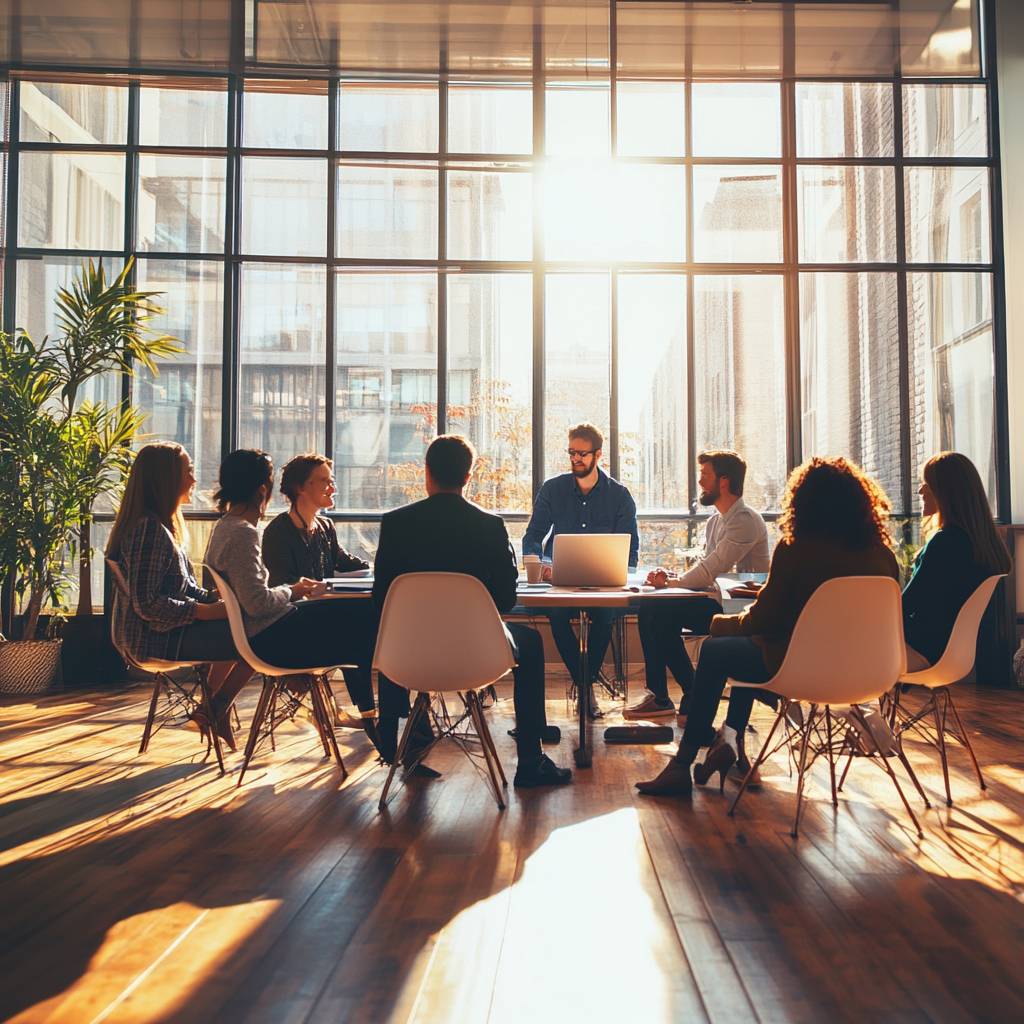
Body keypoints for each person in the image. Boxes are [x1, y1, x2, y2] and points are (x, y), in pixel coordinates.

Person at [636, 456, 900, 797]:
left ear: (805, 503)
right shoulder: (883, 557)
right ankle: (731, 741)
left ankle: (682, 764)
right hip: (870, 673)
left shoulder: (796, 550)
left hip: (801, 668)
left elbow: (763, 619)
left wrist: (718, 625)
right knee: (749, 643)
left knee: (723, 649)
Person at [373, 434, 573, 788]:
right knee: (530, 643)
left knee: (386, 628)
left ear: (427, 473)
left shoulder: (395, 523)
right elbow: (504, 600)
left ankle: (407, 744)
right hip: (476, 654)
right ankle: (530, 759)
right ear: (468, 477)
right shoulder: (489, 526)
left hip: (407, 655)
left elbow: (382, 599)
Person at [204, 449, 385, 757]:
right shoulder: (245, 534)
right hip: (271, 638)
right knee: (361, 625)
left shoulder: (228, 528)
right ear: (263, 490)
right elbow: (259, 603)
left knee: (356, 625)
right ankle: (376, 722)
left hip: (269, 632)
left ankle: (362, 717)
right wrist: (296, 590)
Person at [106, 442, 251, 750]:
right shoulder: (149, 530)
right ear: (165, 478)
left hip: (160, 633)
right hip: (151, 640)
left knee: (243, 627)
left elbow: (182, 588)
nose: (194, 480)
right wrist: (209, 611)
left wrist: (221, 599)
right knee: (253, 639)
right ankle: (213, 708)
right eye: (188, 471)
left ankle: (213, 708)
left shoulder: (161, 527)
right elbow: (148, 605)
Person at [625, 449, 770, 720]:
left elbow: (711, 569)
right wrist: (669, 579)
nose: (700, 481)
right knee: (652, 607)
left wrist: (671, 582)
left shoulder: (745, 521)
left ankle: (686, 693)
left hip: (740, 610)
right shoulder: (716, 521)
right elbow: (707, 570)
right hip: (717, 601)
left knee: (659, 612)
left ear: (723, 481)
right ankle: (665, 695)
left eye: (705, 474)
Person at [522, 423, 639, 712]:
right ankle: (586, 686)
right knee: (557, 614)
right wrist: (542, 564)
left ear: (598, 455)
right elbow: (533, 535)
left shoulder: (619, 495)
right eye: (571, 452)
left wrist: (620, 573)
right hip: (559, 583)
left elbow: (630, 549)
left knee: (605, 614)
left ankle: (583, 685)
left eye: (582, 454)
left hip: (606, 585)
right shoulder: (553, 489)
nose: (575, 459)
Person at [261, 452, 376, 727]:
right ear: (301, 487)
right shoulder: (279, 531)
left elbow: (347, 563)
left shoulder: (325, 526)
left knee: (361, 623)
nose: (332, 487)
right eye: (324, 481)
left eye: (332, 480)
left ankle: (365, 713)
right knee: (355, 632)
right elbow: (282, 585)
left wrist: (382, 564)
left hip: (320, 615)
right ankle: (368, 715)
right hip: (292, 621)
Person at [903, 451, 1011, 671]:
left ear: (946, 492)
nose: (920, 490)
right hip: (953, 652)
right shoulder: (982, 545)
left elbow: (906, 605)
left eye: (927, 483)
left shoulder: (945, 544)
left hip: (920, 649)